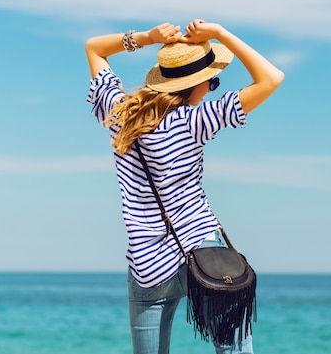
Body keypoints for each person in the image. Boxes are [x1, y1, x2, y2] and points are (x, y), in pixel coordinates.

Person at [85, 19, 284, 354]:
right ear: (195, 85)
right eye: (212, 82)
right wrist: (219, 34)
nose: (210, 89)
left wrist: (147, 38)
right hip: (204, 251)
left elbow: (94, 47)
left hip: (147, 264)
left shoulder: (119, 114)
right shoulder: (195, 121)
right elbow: (271, 78)